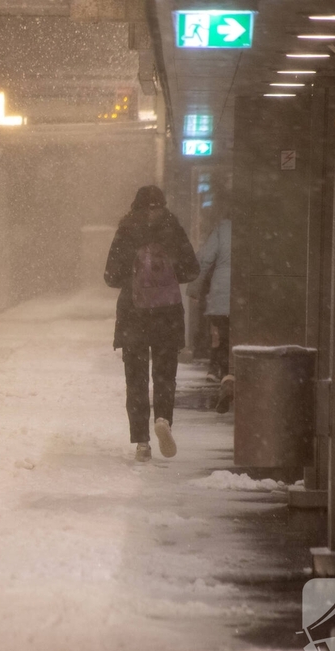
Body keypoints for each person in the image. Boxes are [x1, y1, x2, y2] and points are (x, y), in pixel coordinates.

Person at [104, 186, 199, 462]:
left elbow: (110, 276)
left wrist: (132, 277)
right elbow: (192, 269)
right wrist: (167, 274)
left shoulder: (126, 230)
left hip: (133, 317)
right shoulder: (172, 229)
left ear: (134, 205)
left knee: (136, 379)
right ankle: (163, 420)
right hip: (167, 316)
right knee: (165, 376)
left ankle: (142, 442)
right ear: (163, 205)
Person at [187, 196, 233, 413]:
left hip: (223, 295)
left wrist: (195, 287)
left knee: (223, 338)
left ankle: (227, 378)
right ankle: (239, 378)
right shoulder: (260, 228)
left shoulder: (223, 229)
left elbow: (204, 259)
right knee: (247, 340)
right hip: (253, 297)